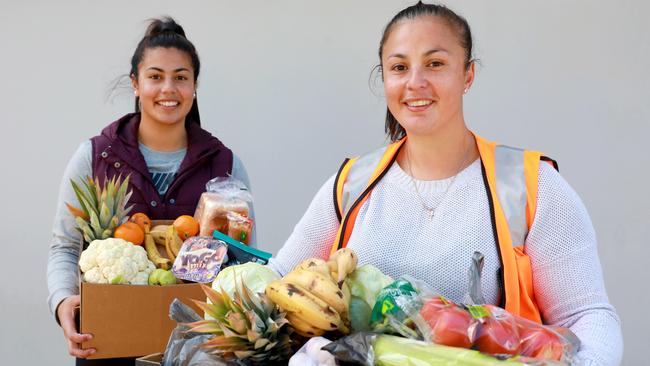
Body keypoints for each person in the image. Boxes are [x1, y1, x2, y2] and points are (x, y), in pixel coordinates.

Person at [268, 2, 622, 364]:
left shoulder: (531, 187)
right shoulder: (352, 185)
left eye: (435, 64)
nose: (415, 82)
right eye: (399, 67)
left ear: (467, 75)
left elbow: (588, 316)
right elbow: (277, 280)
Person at [47, 17, 254, 364]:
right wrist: (62, 300)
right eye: (155, 77)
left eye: (181, 78)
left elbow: (244, 261)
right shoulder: (95, 156)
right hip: (109, 343)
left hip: (200, 350)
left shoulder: (225, 166)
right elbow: (64, 246)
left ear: (194, 86)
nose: (168, 89)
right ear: (136, 84)